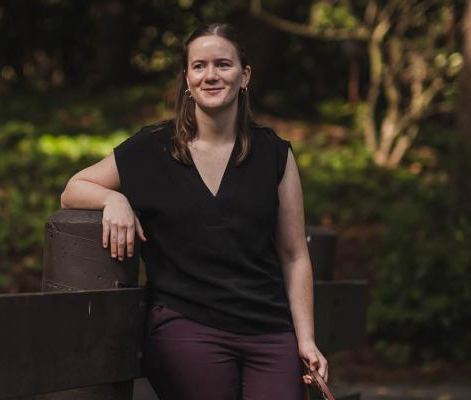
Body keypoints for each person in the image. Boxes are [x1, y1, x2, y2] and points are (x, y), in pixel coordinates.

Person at [59, 23, 328, 399]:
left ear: (244, 76)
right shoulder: (151, 148)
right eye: (199, 66)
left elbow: (294, 254)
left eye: (223, 64)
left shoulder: (274, 154)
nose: (211, 75)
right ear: (187, 78)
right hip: (186, 325)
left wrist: (306, 340)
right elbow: (73, 189)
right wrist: (113, 199)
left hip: (269, 331)